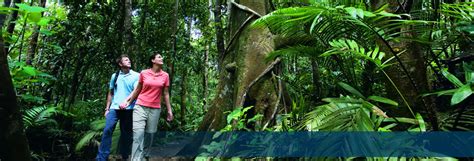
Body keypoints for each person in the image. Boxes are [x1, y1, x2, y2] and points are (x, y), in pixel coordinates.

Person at [120, 52, 174, 160]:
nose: (161, 58)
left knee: (150, 134)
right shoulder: (144, 73)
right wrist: (129, 102)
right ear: (153, 60)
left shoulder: (165, 75)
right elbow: (138, 89)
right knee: (138, 135)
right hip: (140, 106)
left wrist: (169, 110)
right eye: (159, 57)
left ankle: (145, 155)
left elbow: (166, 93)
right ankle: (136, 159)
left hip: (155, 109)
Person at [96, 54, 139, 161]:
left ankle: (125, 156)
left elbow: (136, 91)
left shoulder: (136, 75)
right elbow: (110, 93)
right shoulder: (114, 76)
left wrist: (127, 102)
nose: (129, 61)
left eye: (129, 59)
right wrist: (107, 108)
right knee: (107, 130)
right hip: (114, 109)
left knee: (126, 134)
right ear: (120, 64)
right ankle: (102, 157)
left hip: (128, 109)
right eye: (126, 60)